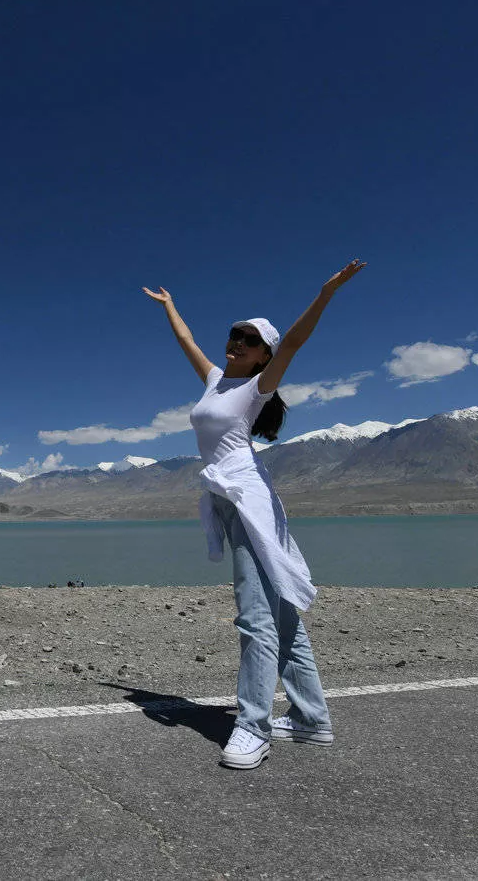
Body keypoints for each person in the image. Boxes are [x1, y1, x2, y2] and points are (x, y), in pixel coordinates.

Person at [143, 259, 366, 769]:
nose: (238, 342)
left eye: (250, 340)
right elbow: (187, 342)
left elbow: (295, 343)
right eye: (235, 335)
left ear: (264, 354)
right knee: (280, 612)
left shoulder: (256, 387)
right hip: (225, 498)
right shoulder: (215, 380)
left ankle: (253, 727)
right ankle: (311, 719)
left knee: (255, 616)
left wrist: (327, 292)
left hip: (247, 499)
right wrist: (170, 306)